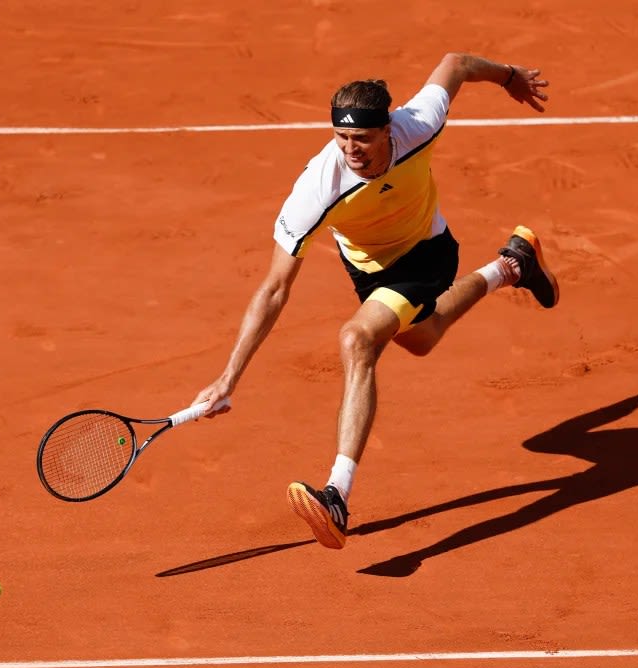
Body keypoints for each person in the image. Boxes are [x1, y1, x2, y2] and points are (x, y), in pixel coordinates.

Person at [192, 52, 559, 550]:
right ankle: (513, 264)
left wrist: (510, 77)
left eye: (362, 138)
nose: (351, 149)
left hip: (428, 254)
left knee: (358, 338)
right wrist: (228, 377)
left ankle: (336, 495)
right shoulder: (316, 191)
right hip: (368, 270)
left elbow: (454, 65)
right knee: (422, 338)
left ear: (388, 128)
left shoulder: (418, 125)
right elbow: (275, 287)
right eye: (341, 138)